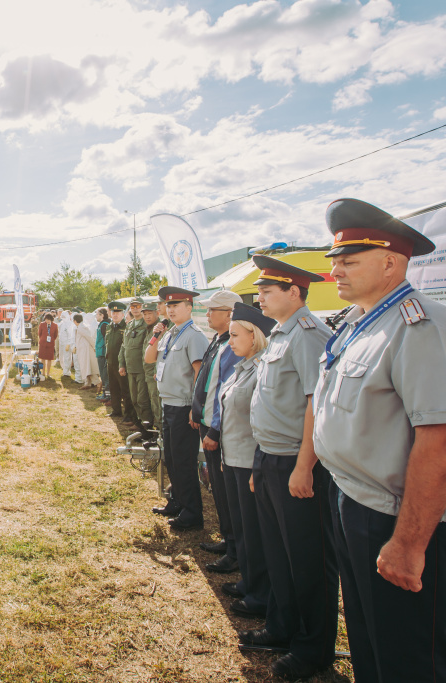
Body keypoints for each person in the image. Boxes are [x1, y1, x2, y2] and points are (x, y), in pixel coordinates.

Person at [314, 199, 446, 682]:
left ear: (391, 262)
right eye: (335, 261)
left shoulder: (424, 327)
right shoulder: (361, 321)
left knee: (410, 658)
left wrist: (408, 544)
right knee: (371, 643)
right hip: (355, 499)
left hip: (398, 517)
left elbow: (442, 445)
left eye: (348, 261)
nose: (335, 272)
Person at [242, 254, 338, 681]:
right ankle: (282, 628)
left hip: (296, 464)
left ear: (294, 292)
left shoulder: (308, 334)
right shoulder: (280, 334)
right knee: (279, 553)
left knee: (308, 560)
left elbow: (314, 405)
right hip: (269, 457)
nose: (259, 297)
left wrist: (303, 466)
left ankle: (312, 647)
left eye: (267, 290)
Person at [217, 302, 276, 621]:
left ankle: (261, 593)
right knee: (243, 526)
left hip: (251, 461)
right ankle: (250, 582)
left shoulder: (261, 368)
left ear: (254, 337)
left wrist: (255, 464)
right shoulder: (243, 366)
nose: (230, 342)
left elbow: (261, 422)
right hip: (235, 457)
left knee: (255, 531)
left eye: (235, 335)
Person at [146, 287, 209, 531]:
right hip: (168, 404)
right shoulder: (171, 333)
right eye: (168, 306)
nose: (170, 310)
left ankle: (192, 513)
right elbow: (150, 358)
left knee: (183, 461)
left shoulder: (194, 335)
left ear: (189, 307)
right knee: (171, 458)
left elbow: (199, 373)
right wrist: (155, 336)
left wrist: (196, 407)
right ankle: (177, 501)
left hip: (183, 408)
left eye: (176, 305)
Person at [192, 289, 244, 574]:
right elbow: (206, 381)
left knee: (226, 493)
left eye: (214, 310)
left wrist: (214, 429)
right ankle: (229, 540)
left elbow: (227, 392)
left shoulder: (234, 346)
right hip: (206, 422)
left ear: (230, 314)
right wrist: (197, 411)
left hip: (219, 430)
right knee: (219, 492)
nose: (208, 315)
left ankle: (235, 549)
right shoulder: (218, 340)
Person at [119, 297, 152, 428]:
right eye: (133, 307)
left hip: (142, 368)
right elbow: (124, 347)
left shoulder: (147, 325)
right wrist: (121, 364)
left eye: (138, 306)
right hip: (130, 368)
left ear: (142, 307)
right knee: (134, 399)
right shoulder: (130, 325)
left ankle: (147, 428)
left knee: (143, 400)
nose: (135, 309)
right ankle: (139, 423)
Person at [104, 301, 134, 422]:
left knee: (125, 389)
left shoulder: (126, 326)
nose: (115, 315)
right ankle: (116, 410)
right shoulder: (109, 326)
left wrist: (124, 364)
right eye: (113, 312)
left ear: (123, 314)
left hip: (121, 363)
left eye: (118, 312)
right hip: (110, 362)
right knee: (113, 387)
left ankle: (128, 415)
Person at [140, 301, 163, 430]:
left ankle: (160, 432)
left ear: (157, 313)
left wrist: (155, 371)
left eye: (150, 313)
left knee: (157, 403)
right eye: (145, 314)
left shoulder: (160, 329)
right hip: (147, 373)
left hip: (155, 374)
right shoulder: (150, 329)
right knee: (152, 402)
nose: (147, 317)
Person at [72, 313, 101, 389]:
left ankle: (97, 382)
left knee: (88, 367)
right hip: (83, 350)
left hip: (86, 351)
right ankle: (87, 383)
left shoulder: (82, 327)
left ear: (75, 321)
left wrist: (94, 346)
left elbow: (89, 337)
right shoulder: (81, 326)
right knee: (86, 367)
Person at [94, 308, 110, 400]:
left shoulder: (105, 325)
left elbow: (106, 340)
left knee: (105, 375)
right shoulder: (101, 324)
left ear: (102, 315)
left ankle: (107, 395)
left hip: (103, 354)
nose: (96, 316)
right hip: (100, 352)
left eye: (97, 314)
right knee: (103, 375)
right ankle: (105, 393)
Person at [37, 312, 58, 378]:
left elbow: (55, 335)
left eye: (49, 320)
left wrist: (51, 340)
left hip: (51, 344)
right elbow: (39, 334)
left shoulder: (55, 325)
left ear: (51, 319)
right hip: (43, 344)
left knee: (49, 359)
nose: (47, 321)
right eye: (46, 319)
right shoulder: (42, 324)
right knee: (42, 358)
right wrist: (43, 339)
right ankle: (43, 373)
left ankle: (48, 373)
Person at [57, 310, 75, 378]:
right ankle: (64, 369)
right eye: (62, 316)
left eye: (64, 316)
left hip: (67, 344)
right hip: (61, 343)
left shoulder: (70, 324)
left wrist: (68, 344)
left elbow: (70, 335)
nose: (63, 317)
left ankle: (67, 372)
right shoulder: (62, 323)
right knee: (61, 357)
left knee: (67, 357)